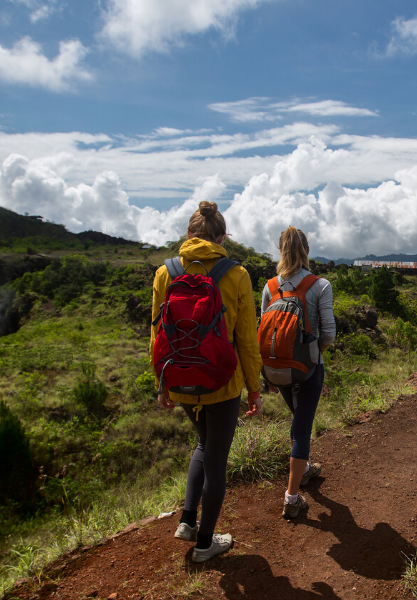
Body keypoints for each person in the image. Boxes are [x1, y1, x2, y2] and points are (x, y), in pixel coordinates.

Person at [150, 201, 263, 563]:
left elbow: (155, 335)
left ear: (189, 234)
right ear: (221, 237)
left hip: (181, 378)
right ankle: (205, 545)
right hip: (222, 382)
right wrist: (255, 388)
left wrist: (162, 383)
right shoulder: (237, 274)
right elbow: (247, 338)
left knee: (202, 442)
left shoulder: (164, 272)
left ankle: (187, 520)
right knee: (217, 458)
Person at [259, 227, 336, 519]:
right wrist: (315, 354)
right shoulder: (320, 285)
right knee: (302, 429)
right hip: (309, 368)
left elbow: (262, 330)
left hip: (277, 368)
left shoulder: (270, 287)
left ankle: (303, 467)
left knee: (297, 420)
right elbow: (328, 332)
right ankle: (292, 496)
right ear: (306, 249)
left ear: (281, 250)